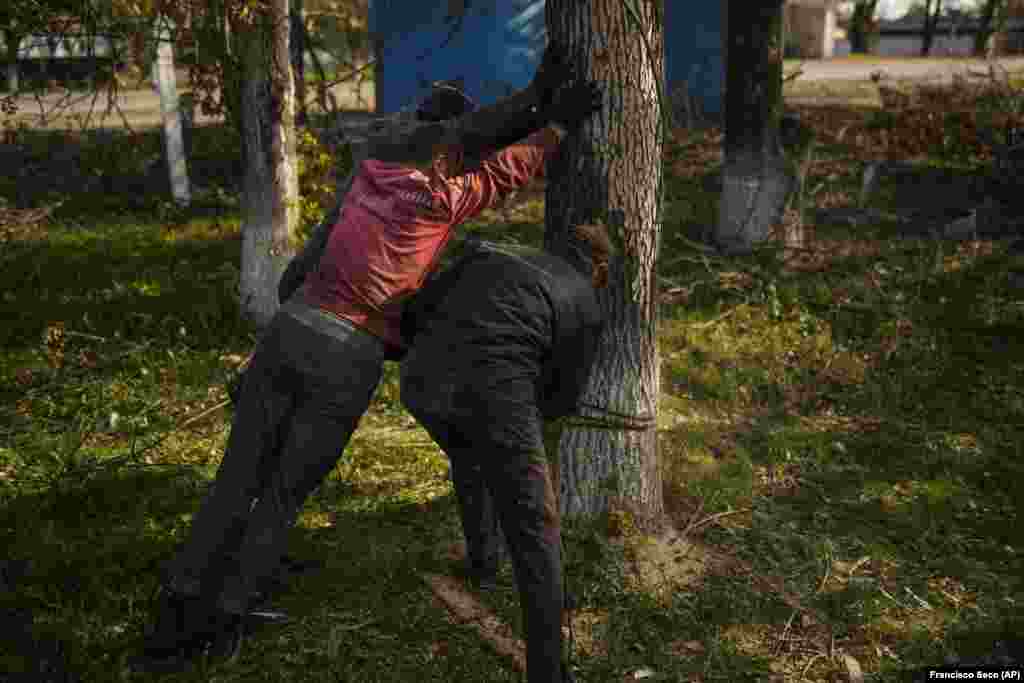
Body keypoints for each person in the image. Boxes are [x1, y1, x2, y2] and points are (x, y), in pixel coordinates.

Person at [129, 44, 602, 674]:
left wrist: (533, 100)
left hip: (289, 331)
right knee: (283, 493)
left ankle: (175, 613)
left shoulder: (371, 167)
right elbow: (501, 169)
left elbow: (295, 275)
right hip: (347, 356)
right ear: (444, 150)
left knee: (236, 477)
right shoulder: (437, 198)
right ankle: (228, 621)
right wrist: (558, 125)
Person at [399, 223, 613, 683]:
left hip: (421, 384)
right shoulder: (585, 302)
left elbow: (416, 309)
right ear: (597, 269)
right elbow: (562, 400)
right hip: (494, 395)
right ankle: (548, 672)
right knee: (536, 527)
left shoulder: (490, 254)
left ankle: (483, 562)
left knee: (467, 455)